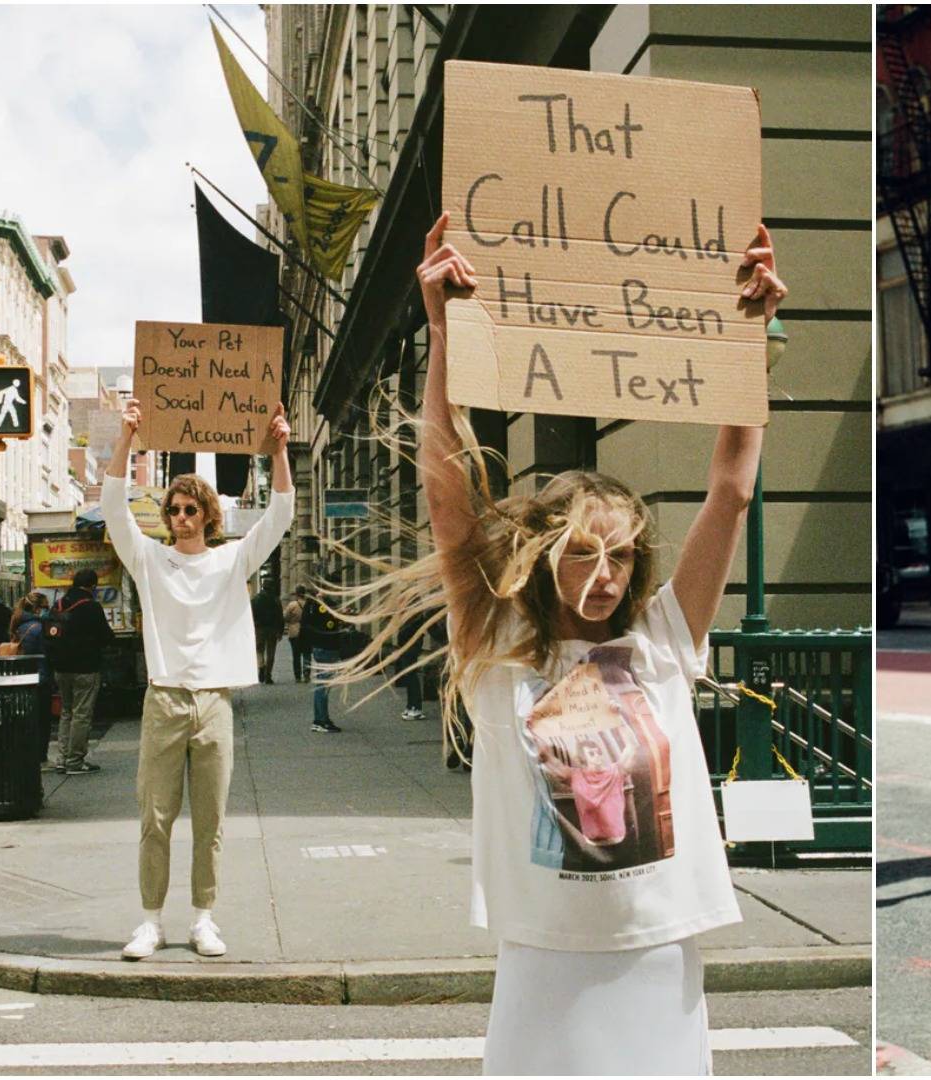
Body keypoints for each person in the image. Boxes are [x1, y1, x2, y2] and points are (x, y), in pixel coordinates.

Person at [326, 211, 785, 1074]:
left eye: (621, 553)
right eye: (582, 551)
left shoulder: (662, 639)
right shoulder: (504, 645)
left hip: (656, 948)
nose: (606, 573)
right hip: (545, 956)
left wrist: (750, 336)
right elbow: (445, 494)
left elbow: (730, 491)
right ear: (543, 557)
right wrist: (442, 337)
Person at [102, 396, 294, 962]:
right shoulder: (148, 560)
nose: (182, 516)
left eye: (191, 509)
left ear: (209, 515)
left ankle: (203, 918)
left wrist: (279, 449)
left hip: (213, 702)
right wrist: (127, 437)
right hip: (163, 700)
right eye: (176, 509)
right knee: (154, 817)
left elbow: (280, 513)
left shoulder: (232, 559)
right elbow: (114, 508)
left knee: (210, 818)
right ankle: (151, 921)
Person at [46, 568, 115, 774]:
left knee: (66, 711)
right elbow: (106, 637)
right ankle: (75, 761)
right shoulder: (91, 607)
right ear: (92, 586)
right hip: (86, 667)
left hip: (61, 668)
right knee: (82, 714)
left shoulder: (58, 605)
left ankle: (62, 758)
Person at [10, 592, 54, 764]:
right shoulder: (38, 628)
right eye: (45, 608)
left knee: (28, 719)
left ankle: (28, 755)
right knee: (42, 721)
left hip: (23, 678)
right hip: (40, 678)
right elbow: (46, 654)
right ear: (37, 609)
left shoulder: (19, 625)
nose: (47, 611)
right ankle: (40, 757)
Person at [300, 591, 351, 733]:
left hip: (318, 647)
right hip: (326, 648)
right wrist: (341, 616)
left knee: (321, 684)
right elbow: (328, 624)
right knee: (323, 685)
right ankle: (322, 720)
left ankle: (319, 720)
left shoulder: (311, 603)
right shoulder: (321, 604)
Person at [251, 587, 284, 684]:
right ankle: (268, 675)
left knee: (259, 650)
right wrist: (280, 631)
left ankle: (261, 666)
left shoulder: (255, 599)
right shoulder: (276, 600)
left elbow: (251, 615)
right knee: (271, 653)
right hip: (272, 630)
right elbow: (280, 616)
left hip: (259, 629)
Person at [283, 585, 309, 683]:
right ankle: (307, 673)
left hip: (295, 631)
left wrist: (291, 621)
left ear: (296, 594)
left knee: (296, 654)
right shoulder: (309, 604)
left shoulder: (292, 605)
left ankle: (297, 676)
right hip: (307, 631)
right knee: (306, 653)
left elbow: (285, 616)